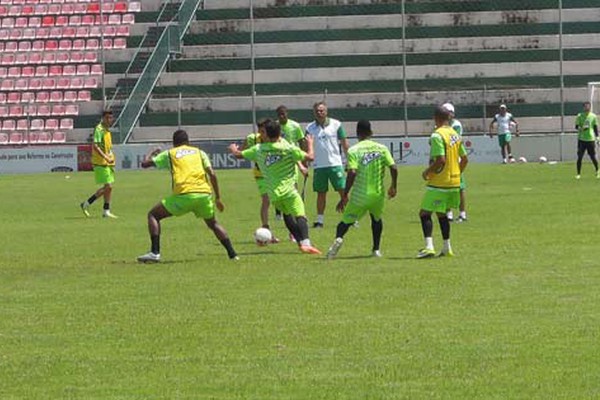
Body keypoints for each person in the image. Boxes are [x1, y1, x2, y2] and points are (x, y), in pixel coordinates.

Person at [137, 130, 238, 263]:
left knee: (153, 215)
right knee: (213, 224)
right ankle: (233, 255)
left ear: (174, 143)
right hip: (204, 195)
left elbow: (144, 164)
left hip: (184, 195)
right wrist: (218, 198)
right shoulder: (199, 152)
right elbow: (212, 174)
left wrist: (152, 152)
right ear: (188, 142)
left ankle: (155, 253)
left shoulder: (170, 153)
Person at [229, 120, 321, 255]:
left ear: (267, 134)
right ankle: (306, 243)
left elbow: (238, 155)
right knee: (301, 215)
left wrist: (233, 149)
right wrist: (311, 144)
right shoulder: (288, 148)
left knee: (287, 215)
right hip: (289, 191)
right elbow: (310, 157)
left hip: (274, 194)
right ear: (280, 133)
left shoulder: (259, 149)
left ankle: (300, 243)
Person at [326, 120, 397, 259]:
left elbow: (352, 172)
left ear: (357, 134)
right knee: (376, 219)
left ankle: (338, 239)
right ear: (371, 132)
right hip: (377, 194)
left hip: (359, 195)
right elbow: (393, 167)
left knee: (345, 222)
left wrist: (344, 195)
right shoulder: (381, 148)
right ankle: (376, 250)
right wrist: (394, 186)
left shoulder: (354, 150)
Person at [417, 106, 468, 259]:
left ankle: (429, 247)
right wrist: (457, 173)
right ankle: (447, 248)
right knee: (441, 214)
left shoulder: (437, 135)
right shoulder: (455, 135)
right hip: (454, 183)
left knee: (424, 213)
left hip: (439, 183)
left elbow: (440, 160)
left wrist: (428, 171)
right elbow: (465, 159)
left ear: (436, 118)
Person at [305, 101, 349, 228]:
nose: (320, 112)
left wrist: (349, 161)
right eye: (317, 111)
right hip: (319, 166)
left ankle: (351, 217)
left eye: (322, 110)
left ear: (326, 111)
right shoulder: (309, 128)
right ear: (314, 112)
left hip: (335, 164)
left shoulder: (336, 124)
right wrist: (305, 164)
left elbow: (344, 144)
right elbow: (307, 147)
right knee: (321, 193)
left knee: (343, 192)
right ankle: (320, 220)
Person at [241, 119, 279, 243]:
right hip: (260, 175)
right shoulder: (252, 139)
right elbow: (242, 151)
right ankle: (266, 229)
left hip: (274, 174)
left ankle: (292, 232)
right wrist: (239, 149)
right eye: (260, 130)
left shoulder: (275, 139)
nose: (261, 133)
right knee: (266, 200)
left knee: (280, 201)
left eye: (263, 130)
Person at [80, 110, 118, 218]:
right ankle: (87, 204)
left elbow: (109, 149)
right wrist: (105, 157)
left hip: (107, 163)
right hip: (100, 162)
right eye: (107, 118)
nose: (109, 120)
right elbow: (95, 146)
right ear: (103, 118)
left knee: (109, 188)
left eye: (110, 118)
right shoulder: (99, 129)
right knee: (108, 187)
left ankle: (105, 210)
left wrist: (112, 162)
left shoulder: (107, 131)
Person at [275, 105, 308, 221]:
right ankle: (279, 211)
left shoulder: (295, 126)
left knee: (293, 184)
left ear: (287, 114)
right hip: (278, 160)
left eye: (283, 114)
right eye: (279, 114)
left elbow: (301, 141)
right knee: (279, 184)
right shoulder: (275, 126)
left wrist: (304, 158)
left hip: (293, 159)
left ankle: (294, 209)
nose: (281, 116)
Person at [442, 103, 467, 222]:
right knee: (446, 187)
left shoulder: (456, 125)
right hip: (445, 161)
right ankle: (449, 213)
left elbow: (452, 141)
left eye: (448, 112)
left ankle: (462, 213)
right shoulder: (440, 126)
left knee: (460, 188)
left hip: (455, 160)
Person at [574, 101, 599, 179]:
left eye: (588, 106)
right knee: (580, 156)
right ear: (583, 107)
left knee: (592, 156)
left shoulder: (593, 116)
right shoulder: (579, 116)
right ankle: (578, 174)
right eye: (586, 106)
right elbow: (576, 126)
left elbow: (595, 127)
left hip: (590, 139)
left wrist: (597, 137)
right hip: (581, 139)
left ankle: (597, 171)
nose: (587, 108)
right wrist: (580, 128)